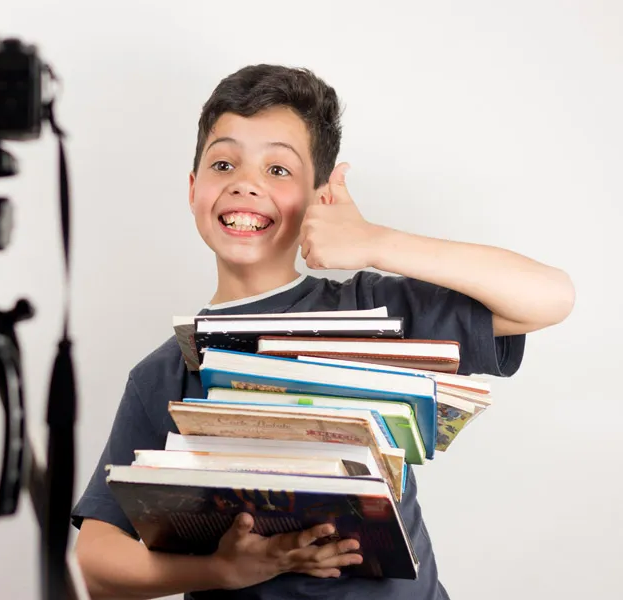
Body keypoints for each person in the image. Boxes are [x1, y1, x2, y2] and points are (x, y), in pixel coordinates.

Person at [70, 64, 575, 600]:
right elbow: (96, 562)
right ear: (194, 189)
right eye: (223, 163)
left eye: (279, 170)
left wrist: (373, 241)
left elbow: (549, 297)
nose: (246, 182)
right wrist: (222, 570)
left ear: (317, 199)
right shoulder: (163, 374)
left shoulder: (370, 312)